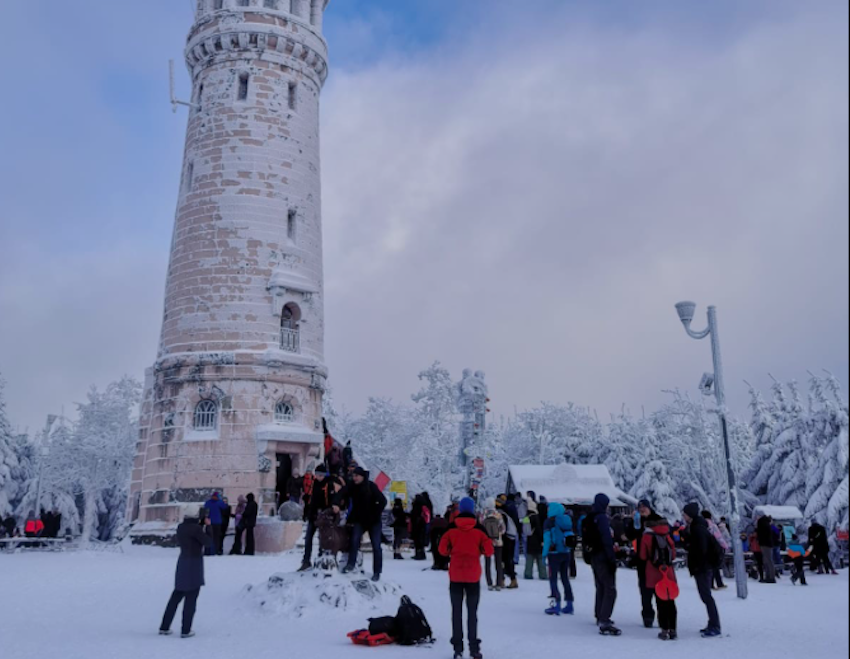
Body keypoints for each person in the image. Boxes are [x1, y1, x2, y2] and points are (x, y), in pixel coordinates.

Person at [439, 497, 494, 659]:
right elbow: (489, 551)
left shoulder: (451, 529)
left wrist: (452, 550)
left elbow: (442, 550)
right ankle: (474, 648)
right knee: (472, 613)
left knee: (456, 612)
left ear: (459, 510)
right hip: (473, 576)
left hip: (456, 575)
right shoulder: (480, 530)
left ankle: (457, 648)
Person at [159, 510, 214, 638]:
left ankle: (164, 626)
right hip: (194, 564)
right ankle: (186, 629)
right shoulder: (196, 529)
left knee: (176, 596)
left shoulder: (181, 527)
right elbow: (208, 542)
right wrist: (209, 526)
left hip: (183, 562)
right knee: (191, 598)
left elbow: (193, 536)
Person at [336, 467, 387, 582]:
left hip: (374, 522)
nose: (354, 478)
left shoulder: (371, 486)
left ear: (362, 476)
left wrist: (375, 513)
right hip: (360, 520)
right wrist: (335, 503)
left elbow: (383, 501)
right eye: (353, 476)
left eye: (356, 476)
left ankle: (377, 572)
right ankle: (350, 564)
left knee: (376, 546)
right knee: (354, 540)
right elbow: (342, 493)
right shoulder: (352, 486)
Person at [683, 502, 721, 638]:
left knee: (706, 597)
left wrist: (697, 564)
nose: (683, 516)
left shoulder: (697, 529)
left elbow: (700, 549)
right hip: (704, 567)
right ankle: (712, 623)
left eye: (685, 514)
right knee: (706, 596)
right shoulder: (697, 527)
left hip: (703, 568)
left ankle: (715, 625)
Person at [639, 516, 678, 641]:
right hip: (668, 572)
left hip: (654, 573)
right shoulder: (667, 535)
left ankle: (664, 629)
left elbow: (643, 556)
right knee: (670, 601)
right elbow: (673, 555)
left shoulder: (647, 536)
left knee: (660, 602)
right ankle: (673, 629)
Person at [586, 493, 619, 635]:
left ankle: (599, 614)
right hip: (603, 557)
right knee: (610, 589)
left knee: (600, 586)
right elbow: (606, 540)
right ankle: (604, 619)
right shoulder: (602, 519)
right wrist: (612, 558)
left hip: (593, 556)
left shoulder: (590, 517)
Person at [626, 499, 662, 628]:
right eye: (640, 508)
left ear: (649, 508)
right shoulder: (638, 521)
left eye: (644, 508)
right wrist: (632, 522)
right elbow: (630, 535)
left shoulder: (657, 519)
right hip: (642, 561)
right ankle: (647, 616)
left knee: (659, 590)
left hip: (657, 561)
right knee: (644, 590)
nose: (642, 510)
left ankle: (662, 617)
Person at [299, 465, 335, 569]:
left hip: (324, 516)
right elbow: (309, 500)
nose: (319, 477)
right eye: (317, 474)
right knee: (308, 538)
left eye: (321, 475)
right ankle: (306, 561)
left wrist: (328, 513)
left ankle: (321, 559)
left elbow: (331, 500)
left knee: (322, 538)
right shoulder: (313, 483)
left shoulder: (328, 484)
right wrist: (306, 512)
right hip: (312, 514)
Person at [542, 503, 575, 615]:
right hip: (566, 552)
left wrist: (544, 554)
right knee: (565, 578)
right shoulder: (566, 520)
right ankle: (569, 604)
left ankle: (556, 604)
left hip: (554, 553)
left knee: (553, 578)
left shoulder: (549, 522)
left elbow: (547, 540)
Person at [496, 496, 519, 589]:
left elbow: (503, 530)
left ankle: (505, 580)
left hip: (506, 541)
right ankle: (509, 580)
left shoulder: (501, 515)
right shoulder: (507, 513)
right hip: (510, 539)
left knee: (504, 560)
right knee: (507, 560)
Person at [481, 501, 506, 591]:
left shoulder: (483, 515)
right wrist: (498, 534)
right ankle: (499, 583)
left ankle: (489, 583)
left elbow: (481, 529)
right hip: (498, 542)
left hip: (487, 542)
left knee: (487, 563)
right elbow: (503, 529)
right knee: (498, 562)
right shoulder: (498, 515)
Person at [702, 511, 729, 590]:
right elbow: (718, 537)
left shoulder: (701, 525)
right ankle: (713, 584)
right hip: (714, 548)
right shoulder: (712, 526)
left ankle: (717, 583)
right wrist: (725, 546)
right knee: (714, 566)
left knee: (712, 566)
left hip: (705, 547)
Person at [523, 501, 547, 580]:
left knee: (529, 559)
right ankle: (543, 574)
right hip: (536, 540)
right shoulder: (536, 517)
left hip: (529, 540)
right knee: (540, 558)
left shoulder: (526, 517)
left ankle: (528, 573)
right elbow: (539, 530)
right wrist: (542, 539)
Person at [203, 492, 228, 556]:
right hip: (217, 522)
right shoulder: (219, 502)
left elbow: (204, 509)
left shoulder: (208, 502)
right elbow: (225, 507)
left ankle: (207, 550)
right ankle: (215, 551)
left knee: (208, 537)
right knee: (216, 538)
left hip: (209, 522)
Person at [756, 514, 777, 583]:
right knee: (768, 560)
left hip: (764, 544)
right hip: (768, 544)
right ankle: (770, 576)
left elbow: (761, 534)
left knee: (768, 560)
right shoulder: (767, 525)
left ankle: (770, 576)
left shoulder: (761, 524)